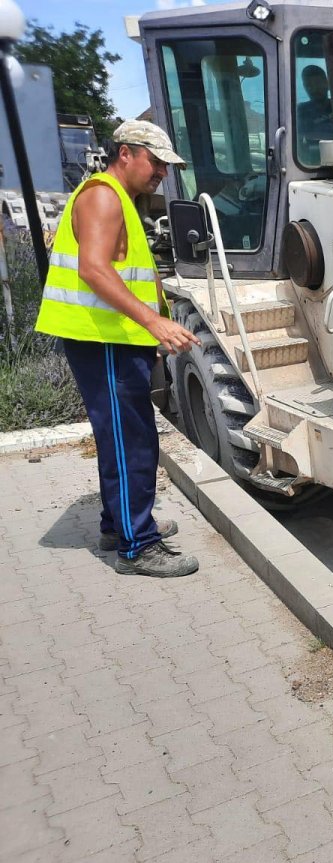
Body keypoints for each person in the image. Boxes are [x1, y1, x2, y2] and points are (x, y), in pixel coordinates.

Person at [35, 120, 202, 577]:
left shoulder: (117, 198)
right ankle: (137, 546)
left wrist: (147, 332)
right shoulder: (104, 196)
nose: (162, 174)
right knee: (131, 442)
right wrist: (154, 322)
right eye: (156, 162)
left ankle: (118, 525)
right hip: (102, 339)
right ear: (125, 152)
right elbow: (93, 269)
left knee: (127, 436)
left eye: (167, 167)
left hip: (113, 338)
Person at [296, 65, 333, 167]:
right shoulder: (300, 111)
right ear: (304, 87)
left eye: (318, 83)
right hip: (310, 166)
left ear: (327, 83)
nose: (314, 89)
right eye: (309, 85)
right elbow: (297, 144)